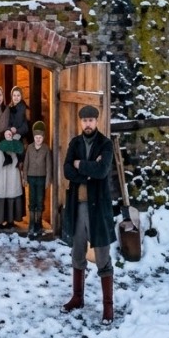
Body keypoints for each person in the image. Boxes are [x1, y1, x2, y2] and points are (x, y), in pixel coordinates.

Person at [61, 104, 116, 324]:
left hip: (98, 209)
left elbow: (102, 171)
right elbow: (67, 170)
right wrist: (88, 170)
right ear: (80, 122)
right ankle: (77, 298)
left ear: (97, 121)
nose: (88, 124)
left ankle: (108, 307)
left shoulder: (105, 144)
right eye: (84, 120)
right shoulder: (75, 143)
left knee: (102, 257)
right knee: (77, 254)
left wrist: (80, 165)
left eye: (91, 120)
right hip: (78, 207)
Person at [0, 86, 24, 228]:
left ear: (3, 96)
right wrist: (2, 134)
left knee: (11, 183)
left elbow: (17, 125)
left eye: (0, 94)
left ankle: (11, 219)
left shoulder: (9, 110)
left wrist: (12, 133)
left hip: (10, 148)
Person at [22, 120, 51, 237]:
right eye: (36, 137)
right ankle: (31, 224)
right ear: (34, 137)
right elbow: (26, 164)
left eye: (40, 137)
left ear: (43, 138)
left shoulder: (46, 149)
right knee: (32, 200)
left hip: (41, 179)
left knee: (39, 200)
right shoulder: (29, 148)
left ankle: (38, 223)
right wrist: (24, 178)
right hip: (31, 178)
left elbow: (48, 166)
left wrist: (47, 180)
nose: (38, 139)